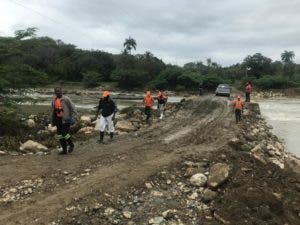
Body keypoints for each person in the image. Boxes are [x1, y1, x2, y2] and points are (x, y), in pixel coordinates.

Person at [51, 87, 76, 154]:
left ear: (61, 91)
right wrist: (53, 120)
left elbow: (72, 107)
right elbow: (54, 110)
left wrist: (73, 117)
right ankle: (64, 150)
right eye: (56, 91)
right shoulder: (54, 100)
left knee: (64, 133)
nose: (58, 92)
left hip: (66, 119)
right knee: (60, 135)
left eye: (59, 91)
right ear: (55, 92)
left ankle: (71, 145)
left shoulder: (66, 99)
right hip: (58, 120)